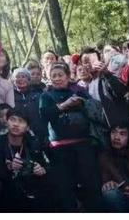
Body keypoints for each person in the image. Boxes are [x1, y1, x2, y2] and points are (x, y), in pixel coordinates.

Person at [39, 62, 103, 212]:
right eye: (53, 76)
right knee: (66, 188)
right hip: (60, 149)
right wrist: (64, 105)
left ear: (68, 77)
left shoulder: (79, 92)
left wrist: (82, 103)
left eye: (60, 75)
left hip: (83, 145)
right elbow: (44, 115)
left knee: (90, 185)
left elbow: (94, 112)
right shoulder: (46, 96)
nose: (57, 78)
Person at [0, 109, 54, 212]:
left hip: (32, 189)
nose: (16, 124)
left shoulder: (34, 144)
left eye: (21, 121)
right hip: (7, 192)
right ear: (6, 122)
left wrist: (42, 170)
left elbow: (47, 166)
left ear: (27, 127)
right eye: (12, 120)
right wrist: (9, 167)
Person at [12, 68, 47, 147]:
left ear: (28, 80)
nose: (20, 79)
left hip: (39, 135)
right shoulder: (10, 96)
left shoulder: (38, 95)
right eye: (17, 77)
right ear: (13, 81)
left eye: (23, 76)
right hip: (18, 136)